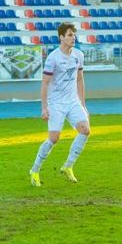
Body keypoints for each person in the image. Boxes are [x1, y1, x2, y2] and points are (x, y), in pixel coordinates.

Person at [29, 23, 90, 186]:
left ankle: (68, 166)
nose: (73, 37)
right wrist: (44, 107)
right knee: (54, 139)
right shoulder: (53, 58)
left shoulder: (79, 55)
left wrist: (83, 104)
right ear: (61, 37)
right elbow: (45, 83)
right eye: (70, 35)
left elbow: (79, 79)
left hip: (73, 101)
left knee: (85, 130)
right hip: (56, 103)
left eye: (74, 35)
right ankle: (35, 170)